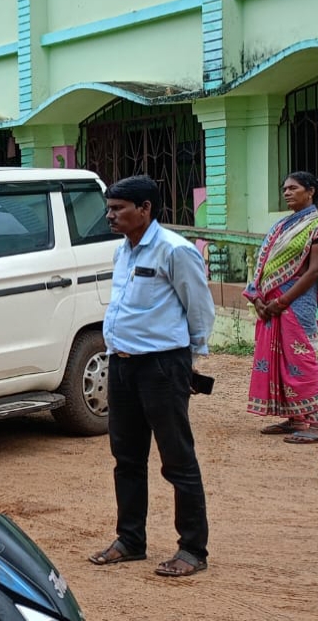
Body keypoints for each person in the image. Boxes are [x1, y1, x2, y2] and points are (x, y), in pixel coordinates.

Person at [87, 175, 215, 579]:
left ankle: (192, 549)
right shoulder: (120, 252)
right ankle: (130, 540)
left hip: (162, 366)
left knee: (177, 459)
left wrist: (188, 360)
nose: (110, 215)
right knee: (126, 457)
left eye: (118, 208)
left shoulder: (175, 251)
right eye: (109, 208)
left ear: (145, 209)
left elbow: (199, 308)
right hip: (121, 365)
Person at [245, 171, 318, 443]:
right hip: (271, 302)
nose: (286, 193)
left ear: (310, 192)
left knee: (300, 358)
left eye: (293, 188)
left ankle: (317, 423)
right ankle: (296, 418)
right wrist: (259, 298)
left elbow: (315, 269)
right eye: (284, 189)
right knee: (278, 357)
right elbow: (263, 265)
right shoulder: (281, 226)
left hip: (296, 303)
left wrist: (282, 301)